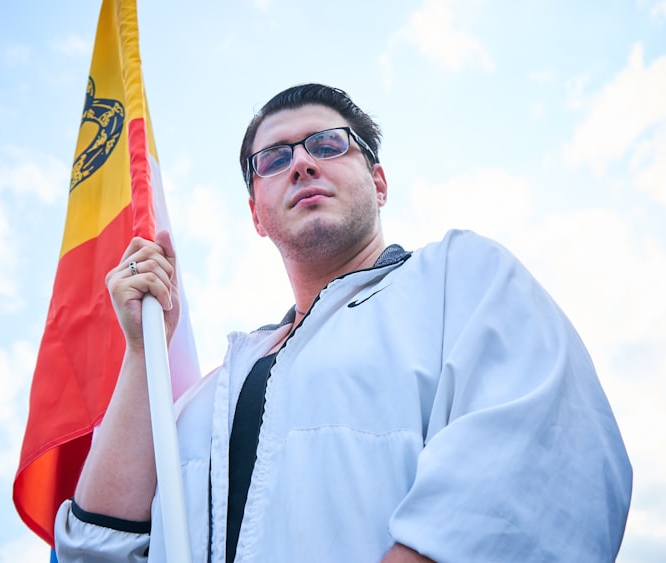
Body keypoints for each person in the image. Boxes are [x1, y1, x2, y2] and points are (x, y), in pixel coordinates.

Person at [54, 83, 632, 562]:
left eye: (328, 145)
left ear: (378, 182)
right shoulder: (211, 393)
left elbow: (539, 460)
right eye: (274, 159)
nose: (302, 163)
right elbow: (99, 544)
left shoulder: (461, 277)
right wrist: (141, 348)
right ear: (256, 214)